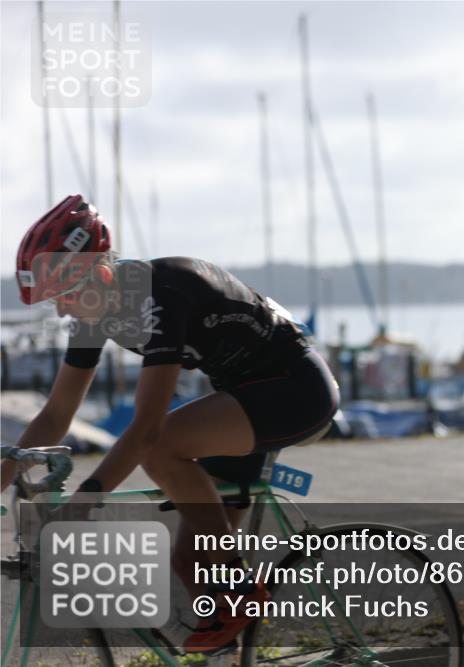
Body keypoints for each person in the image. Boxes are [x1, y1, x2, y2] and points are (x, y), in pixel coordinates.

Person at [1, 195, 340, 653]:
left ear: (99, 272)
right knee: (193, 562)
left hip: (294, 389)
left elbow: (147, 429)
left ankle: (240, 588)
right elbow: (57, 414)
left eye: (64, 295)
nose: (61, 311)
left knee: (161, 448)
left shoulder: (163, 295)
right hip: (243, 399)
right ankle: (227, 644)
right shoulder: (94, 313)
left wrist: (84, 504)